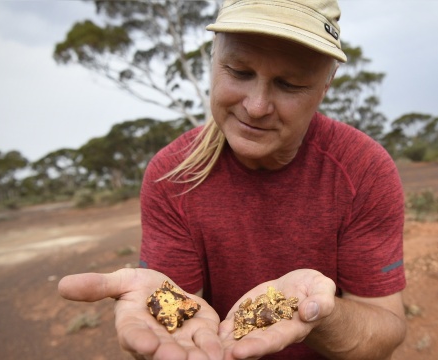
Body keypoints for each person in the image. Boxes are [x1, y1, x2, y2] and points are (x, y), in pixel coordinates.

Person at [58, 0, 407, 359]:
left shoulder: (363, 170)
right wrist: (165, 314)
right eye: (239, 72)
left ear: (326, 84)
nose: (256, 106)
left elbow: (386, 328)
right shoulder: (173, 175)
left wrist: (319, 315)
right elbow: (177, 312)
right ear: (212, 62)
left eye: (288, 84)